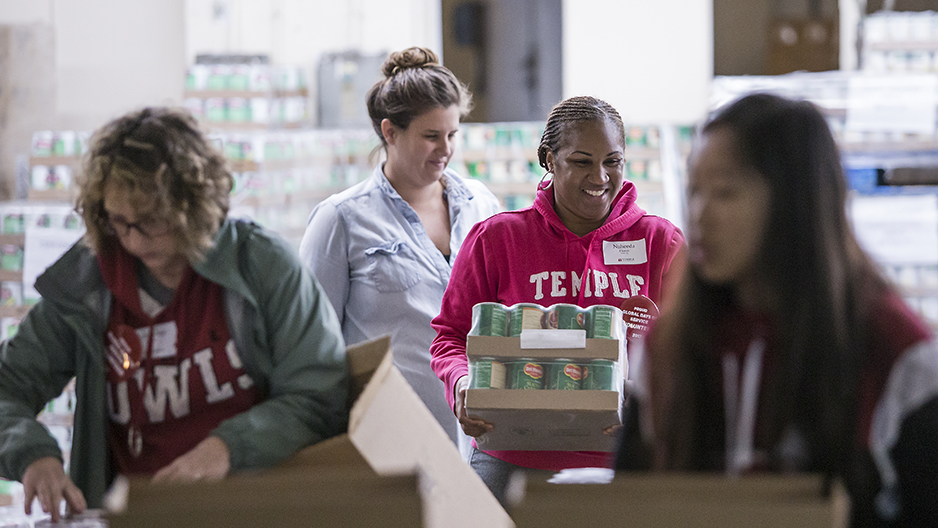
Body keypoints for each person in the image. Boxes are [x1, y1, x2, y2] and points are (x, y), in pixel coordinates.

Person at [0, 107, 349, 521]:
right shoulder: (87, 284)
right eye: (118, 222)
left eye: (150, 221)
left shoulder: (261, 266)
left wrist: (227, 448)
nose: (133, 239)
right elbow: (8, 388)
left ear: (192, 205)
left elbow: (320, 392)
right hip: (135, 513)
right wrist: (32, 455)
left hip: (255, 510)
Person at [614, 93, 938, 526]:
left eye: (725, 192)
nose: (699, 214)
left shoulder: (895, 353)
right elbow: (628, 501)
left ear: (795, 200)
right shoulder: (666, 348)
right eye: (694, 191)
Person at [430, 95, 686, 505]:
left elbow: (691, 350)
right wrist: (461, 381)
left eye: (612, 161)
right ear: (550, 159)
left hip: (621, 461)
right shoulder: (497, 240)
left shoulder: (661, 242)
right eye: (582, 161)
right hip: (512, 456)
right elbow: (451, 335)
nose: (599, 176)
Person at [299, 47, 499, 452]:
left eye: (452, 134)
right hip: (388, 445)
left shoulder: (481, 206)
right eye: (431, 136)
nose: (445, 149)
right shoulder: (341, 219)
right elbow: (311, 350)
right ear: (390, 132)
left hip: (482, 441)